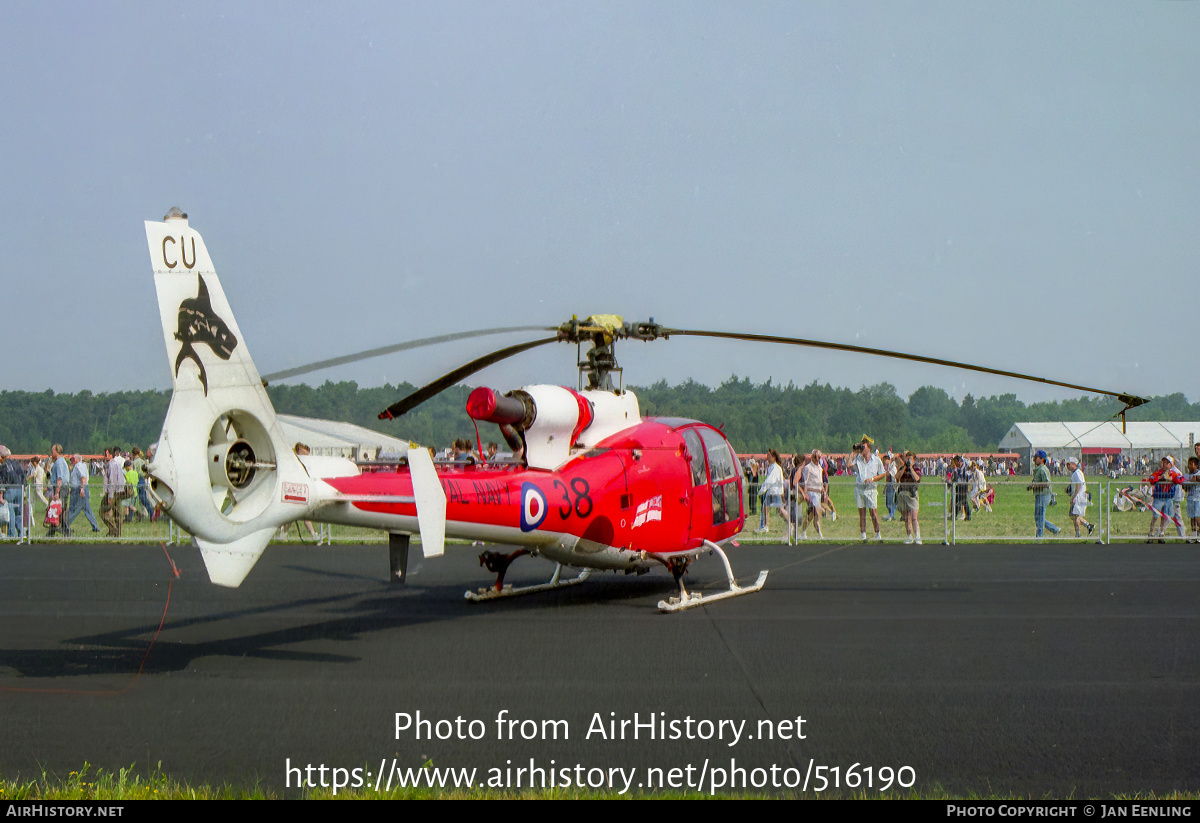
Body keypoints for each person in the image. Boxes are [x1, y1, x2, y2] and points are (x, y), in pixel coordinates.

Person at [848, 435, 885, 541]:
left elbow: (883, 474)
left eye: (863, 446)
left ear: (868, 447)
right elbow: (849, 465)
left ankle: (877, 533)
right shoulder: (858, 459)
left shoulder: (876, 459)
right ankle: (863, 534)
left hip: (871, 489)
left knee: (873, 513)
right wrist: (854, 452)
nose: (861, 449)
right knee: (862, 513)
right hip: (860, 488)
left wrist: (873, 479)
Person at [1143, 456, 1184, 543]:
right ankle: (1151, 534)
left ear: (1170, 464)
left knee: (1165, 517)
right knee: (1155, 516)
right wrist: (1159, 478)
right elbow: (1151, 479)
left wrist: (1171, 479)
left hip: (1168, 498)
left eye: (1166, 463)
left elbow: (1181, 479)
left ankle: (1162, 534)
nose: (1164, 464)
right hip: (1158, 498)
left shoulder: (1173, 473)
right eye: (1163, 462)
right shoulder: (1158, 472)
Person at [755, 449, 790, 535]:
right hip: (772, 491)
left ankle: (790, 524)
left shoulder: (775, 467)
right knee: (765, 508)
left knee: (780, 510)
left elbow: (770, 480)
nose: (767, 457)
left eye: (769, 456)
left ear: (773, 457)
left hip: (774, 491)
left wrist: (762, 489)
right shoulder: (772, 466)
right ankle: (764, 526)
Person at [65, 454, 100, 535]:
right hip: (81, 488)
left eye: (73, 459)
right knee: (86, 509)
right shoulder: (82, 465)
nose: (71, 461)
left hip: (78, 489)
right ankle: (95, 527)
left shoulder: (78, 466)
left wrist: (82, 488)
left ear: (77, 459)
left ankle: (65, 525)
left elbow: (83, 477)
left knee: (73, 509)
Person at [1028, 450, 1060, 539]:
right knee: (1038, 517)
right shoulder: (1038, 469)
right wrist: (1032, 485)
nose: (1034, 459)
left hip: (1043, 495)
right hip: (1039, 494)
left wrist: (1035, 485)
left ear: (1042, 459)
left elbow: (1047, 483)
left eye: (1036, 458)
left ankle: (1039, 537)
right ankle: (1055, 529)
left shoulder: (1042, 469)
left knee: (1040, 516)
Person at [895, 450, 922, 544]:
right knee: (906, 517)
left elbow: (917, 478)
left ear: (914, 460)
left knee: (914, 517)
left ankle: (917, 536)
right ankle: (909, 536)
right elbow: (897, 477)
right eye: (907, 458)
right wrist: (904, 467)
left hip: (912, 493)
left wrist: (910, 468)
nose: (908, 460)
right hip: (903, 493)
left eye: (910, 459)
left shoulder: (916, 468)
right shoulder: (902, 467)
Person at [1065, 456, 1094, 539]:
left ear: (1074, 464)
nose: (1068, 466)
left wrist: (1074, 496)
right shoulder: (1075, 473)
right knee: (1073, 515)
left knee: (1074, 515)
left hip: (1079, 497)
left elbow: (1079, 484)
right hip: (1077, 496)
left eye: (1069, 464)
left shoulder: (1077, 472)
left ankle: (1079, 533)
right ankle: (1088, 526)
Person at [799, 451, 825, 539]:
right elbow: (805, 482)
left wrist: (824, 492)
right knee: (816, 512)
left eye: (819, 457)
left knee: (812, 516)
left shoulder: (820, 468)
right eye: (815, 457)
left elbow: (821, 482)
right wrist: (805, 495)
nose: (817, 459)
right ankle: (819, 534)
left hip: (818, 493)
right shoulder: (808, 468)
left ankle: (804, 532)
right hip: (811, 493)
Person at [1183, 456, 1200, 544]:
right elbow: (1184, 487)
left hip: (1198, 498)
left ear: (1196, 465)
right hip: (1190, 498)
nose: (1190, 465)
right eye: (1189, 463)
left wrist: (1196, 479)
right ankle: (1194, 533)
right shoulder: (1186, 475)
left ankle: (1199, 534)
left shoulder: (1199, 473)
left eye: (1192, 463)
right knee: (1192, 517)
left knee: (1198, 517)